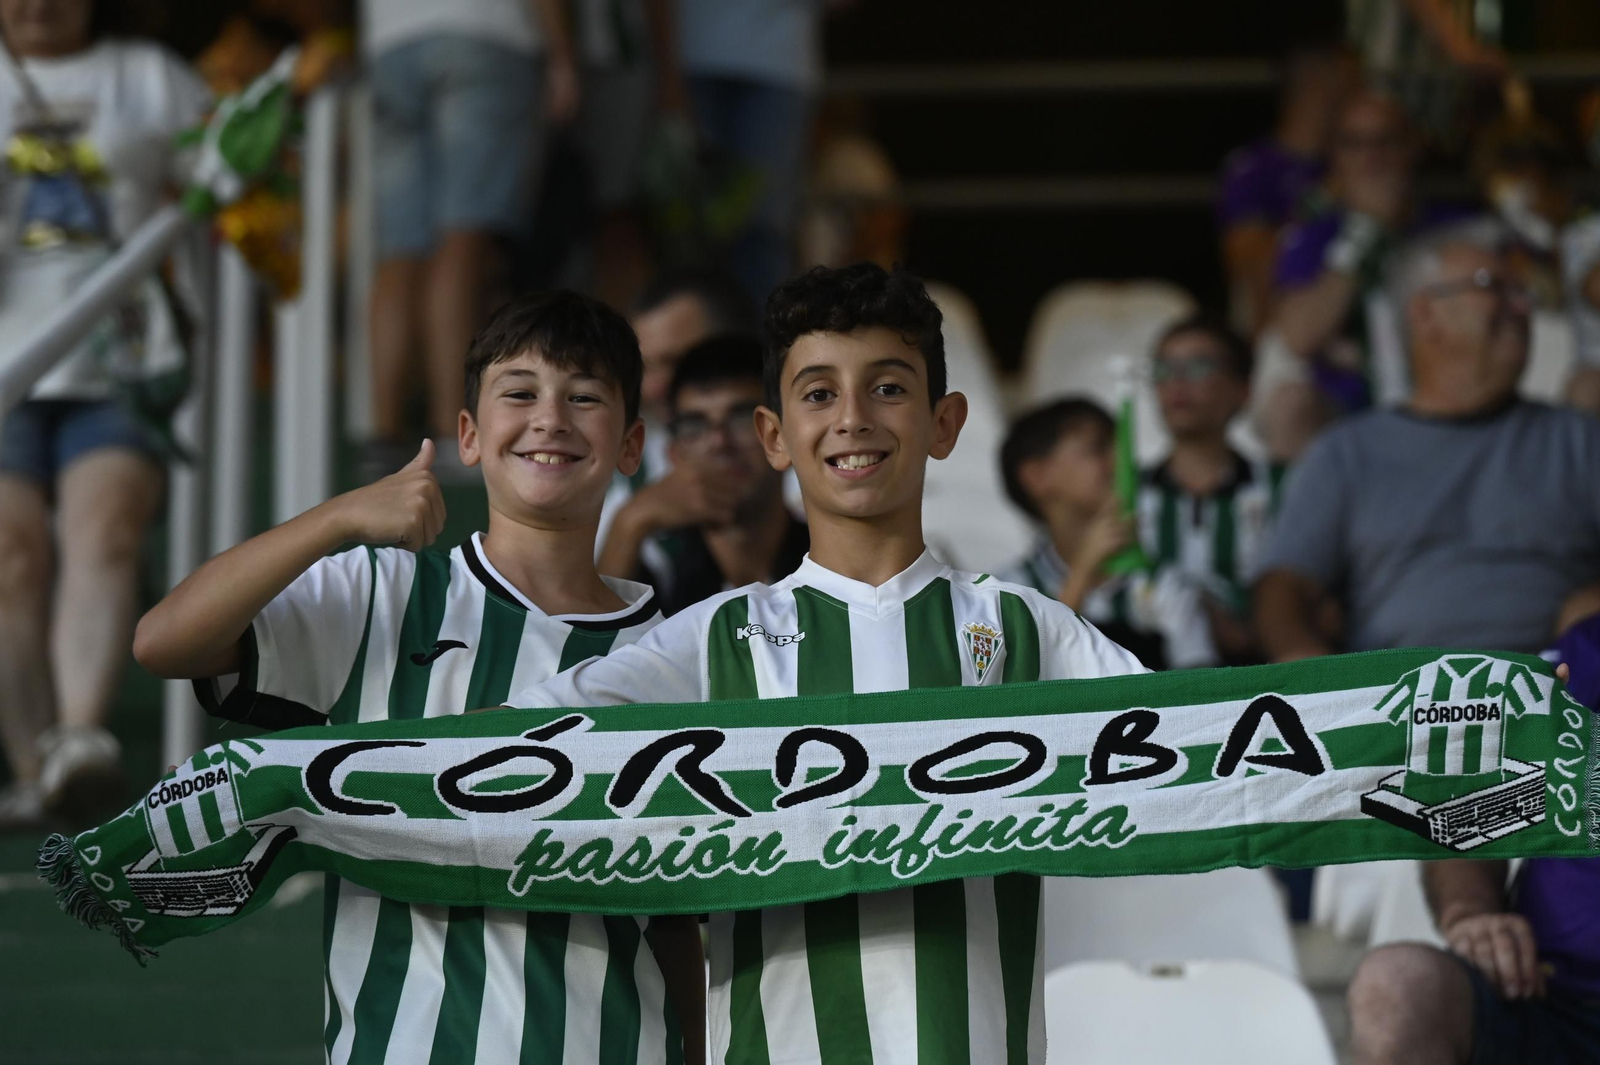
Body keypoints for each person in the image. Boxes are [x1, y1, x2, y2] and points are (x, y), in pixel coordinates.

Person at [494, 262, 1148, 1063]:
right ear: (776, 435)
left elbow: (1206, 744)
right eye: (818, 393)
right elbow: (514, 748)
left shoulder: (1023, 627)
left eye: (889, 388)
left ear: (945, 423)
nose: (852, 418)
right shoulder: (714, 638)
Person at [132, 292, 703, 1063]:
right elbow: (165, 641)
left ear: (631, 442)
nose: (550, 418)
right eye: (520, 392)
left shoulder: (677, 655)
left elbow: (679, 918)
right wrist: (336, 518)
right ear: (468, 434)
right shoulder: (381, 594)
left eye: (585, 396)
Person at [0, 0, 211, 827]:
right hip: (6, 367)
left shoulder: (150, 76)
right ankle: (33, 763)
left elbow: (238, 179)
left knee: (109, 529)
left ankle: (81, 739)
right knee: (9, 558)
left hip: (122, 360)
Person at [1255, 228, 1600, 662]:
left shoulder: (1581, 440)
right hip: (1396, 706)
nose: (1522, 306)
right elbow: (1283, 586)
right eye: (1494, 287)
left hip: (1558, 698)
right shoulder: (1348, 452)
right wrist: (1304, 663)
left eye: (1522, 292)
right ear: (1426, 315)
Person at [1345, 596, 1600, 1065]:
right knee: (1395, 985)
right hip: (1542, 995)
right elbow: (1470, 787)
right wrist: (1471, 913)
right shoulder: (1587, 651)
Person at [362, 0, 580, 476]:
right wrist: (563, 57)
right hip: (484, 35)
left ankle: (384, 433)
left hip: (390, 43)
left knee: (401, 250)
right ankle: (448, 432)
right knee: (463, 241)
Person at [1258, 90, 1475, 461]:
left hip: (1451, 401)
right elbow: (1299, 335)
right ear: (1335, 156)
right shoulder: (1312, 235)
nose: (1370, 158)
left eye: (1384, 141)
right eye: (1353, 144)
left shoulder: (1460, 228)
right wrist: (1366, 231)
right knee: (1289, 404)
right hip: (1345, 415)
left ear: (1413, 146)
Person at [997, 399, 1218, 672]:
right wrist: (1082, 574)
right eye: (1098, 448)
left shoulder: (1166, 585)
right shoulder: (1006, 591)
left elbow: (1201, 696)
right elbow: (1016, 689)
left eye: (1122, 448)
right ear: (1037, 476)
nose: (1123, 461)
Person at [599, 334, 808, 616]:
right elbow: (595, 654)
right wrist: (628, 525)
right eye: (695, 426)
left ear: (779, 435)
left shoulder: (829, 561)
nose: (719, 442)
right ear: (675, 453)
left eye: (741, 418)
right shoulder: (655, 575)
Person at [1138, 314, 1281, 663]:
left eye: (1199, 367)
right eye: (1164, 369)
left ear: (1242, 389)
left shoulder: (1285, 485)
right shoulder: (1121, 492)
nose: (1178, 383)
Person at [675, 0, 827, 303]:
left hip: (779, 64)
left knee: (763, 228)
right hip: (692, 59)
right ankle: (698, 345)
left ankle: (764, 344)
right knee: (690, 231)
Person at [1216, 41, 1357, 334]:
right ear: (1317, 84)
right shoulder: (1254, 169)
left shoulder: (1353, 162)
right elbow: (1251, 268)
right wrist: (1324, 199)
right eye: (1351, 81)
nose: (1362, 92)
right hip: (1282, 335)